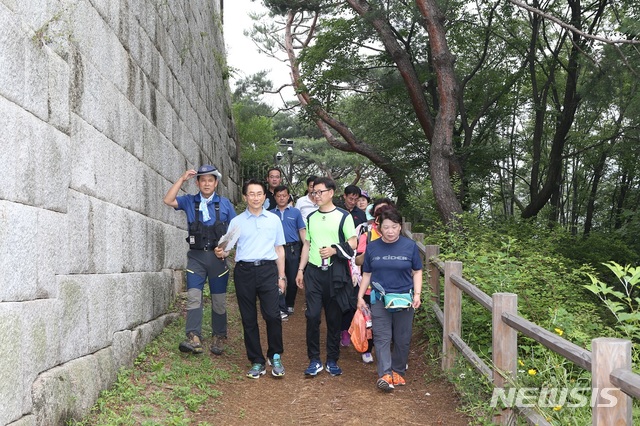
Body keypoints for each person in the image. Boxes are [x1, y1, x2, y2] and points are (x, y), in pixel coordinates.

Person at [215, 179, 287, 379]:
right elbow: (226, 248)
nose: (255, 197)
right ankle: (256, 360)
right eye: (251, 194)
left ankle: (275, 355)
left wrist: (282, 276)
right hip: (244, 272)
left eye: (259, 194)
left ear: (265, 196)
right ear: (245, 197)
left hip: (267, 270)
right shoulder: (237, 221)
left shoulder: (273, 220)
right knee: (248, 318)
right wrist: (220, 252)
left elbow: (279, 249)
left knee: (272, 315)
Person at [163, 165, 236, 355]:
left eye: (210, 180)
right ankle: (193, 337)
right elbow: (168, 200)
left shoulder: (225, 204)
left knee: (218, 300)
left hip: (217, 260)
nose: (206, 183)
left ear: (216, 183)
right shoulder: (189, 201)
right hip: (196, 258)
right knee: (194, 297)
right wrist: (182, 179)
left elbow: (237, 230)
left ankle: (219, 336)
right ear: (197, 183)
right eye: (202, 180)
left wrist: (227, 251)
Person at [296, 177, 357, 377]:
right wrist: (300, 270)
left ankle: (332, 359)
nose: (316, 195)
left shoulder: (343, 216)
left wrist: (334, 250)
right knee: (312, 316)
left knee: (333, 317)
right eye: (314, 192)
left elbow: (353, 242)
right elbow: (307, 244)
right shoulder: (311, 217)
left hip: (335, 273)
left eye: (320, 192)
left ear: (331, 192)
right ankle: (314, 359)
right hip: (313, 272)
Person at [356, 209, 423, 392]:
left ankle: (398, 371)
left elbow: (417, 271)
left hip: (404, 299)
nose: (391, 231)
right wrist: (360, 296)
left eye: (394, 227)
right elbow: (367, 273)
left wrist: (417, 294)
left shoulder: (410, 246)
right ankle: (385, 374)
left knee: (402, 338)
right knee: (382, 337)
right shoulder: (373, 247)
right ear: (379, 228)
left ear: (400, 227)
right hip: (379, 298)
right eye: (386, 227)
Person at [353, 200, 397, 364]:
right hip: (370, 287)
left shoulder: (397, 237)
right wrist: (370, 250)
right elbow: (358, 260)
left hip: (392, 287)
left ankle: (388, 352)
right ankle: (367, 348)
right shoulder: (367, 236)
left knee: (390, 321)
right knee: (369, 320)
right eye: (380, 216)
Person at [269, 185, 306, 318]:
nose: (281, 198)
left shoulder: (296, 212)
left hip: (292, 249)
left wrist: (307, 245)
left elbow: (302, 230)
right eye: (278, 196)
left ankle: (290, 303)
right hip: (276, 249)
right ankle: (281, 306)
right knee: (278, 277)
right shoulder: (270, 214)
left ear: (289, 196)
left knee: (292, 277)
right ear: (275, 197)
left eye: (284, 195)